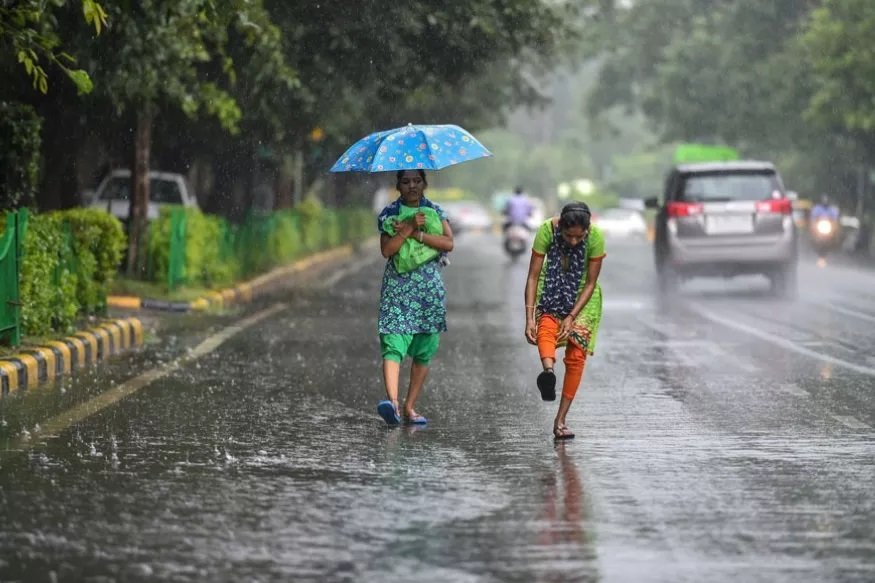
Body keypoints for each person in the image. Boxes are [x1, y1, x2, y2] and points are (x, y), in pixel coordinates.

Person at [375, 169, 454, 426]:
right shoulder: (389, 215)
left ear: (424, 184)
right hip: (398, 288)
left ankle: (410, 407)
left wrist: (419, 233)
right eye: (406, 181)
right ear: (397, 185)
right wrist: (407, 228)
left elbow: (448, 244)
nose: (412, 186)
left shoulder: (435, 211)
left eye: (417, 181)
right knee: (393, 341)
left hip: (428, 290)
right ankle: (393, 404)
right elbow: (387, 250)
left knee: (424, 348)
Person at [523, 202, 605, 440]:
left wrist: (571, 316)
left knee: (576, 356)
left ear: (587, 231)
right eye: (568, 236)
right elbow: (533, 276)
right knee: (545, 328)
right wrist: (529, 318)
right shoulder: (546, 231)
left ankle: (560, 421)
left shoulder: (597, 237)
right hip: (552, 287)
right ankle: (548, 373)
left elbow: (590, 283)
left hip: (583, 297)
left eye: (579, 237)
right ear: (560, 228)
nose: (573, 242)